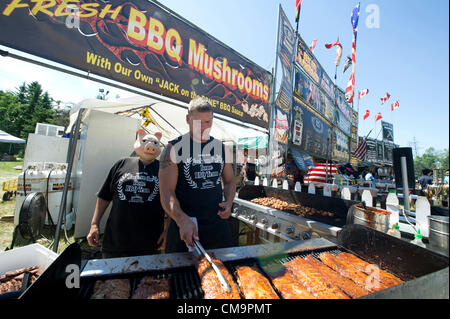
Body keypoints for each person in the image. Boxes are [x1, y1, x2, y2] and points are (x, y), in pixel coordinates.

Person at [159, 97, 236, 253]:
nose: (204, 128)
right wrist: (182, 219)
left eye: (208, 122)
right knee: (183, 277)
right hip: (185, 229)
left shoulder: (221, 148)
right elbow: (167, 192)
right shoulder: (173, 148)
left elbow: (229, 181)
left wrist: (228, 202)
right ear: (188, 119)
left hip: (217, 229)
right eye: (198, 122)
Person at [86, 130, 167, 258]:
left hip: (149, 242)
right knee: (113, 276)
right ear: (137, 141)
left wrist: (167, 231)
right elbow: (104, 196)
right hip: (115, 240)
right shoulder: (121, 164)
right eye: (145, 141)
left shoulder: (164, 170)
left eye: (155, 143)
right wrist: (94, 224)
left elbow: (172, 202)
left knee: (146, 278)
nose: (150, 146)